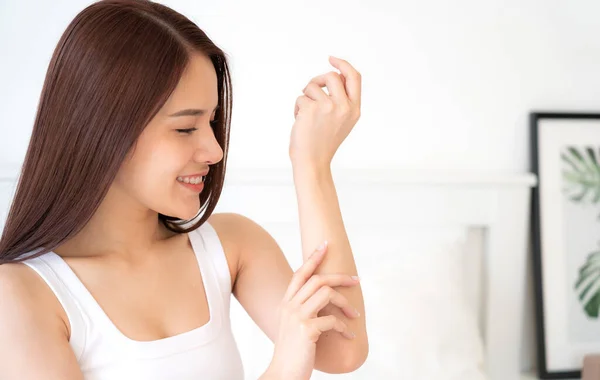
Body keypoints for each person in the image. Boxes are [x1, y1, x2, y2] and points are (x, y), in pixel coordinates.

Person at [0, 0, 368, 379]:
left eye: (211, 122)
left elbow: (343, 351)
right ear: (103, 130)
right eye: (185, 128)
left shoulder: (230, 246)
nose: (214, 150)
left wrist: (311, 164)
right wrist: (284, 368)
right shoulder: (23, 295)